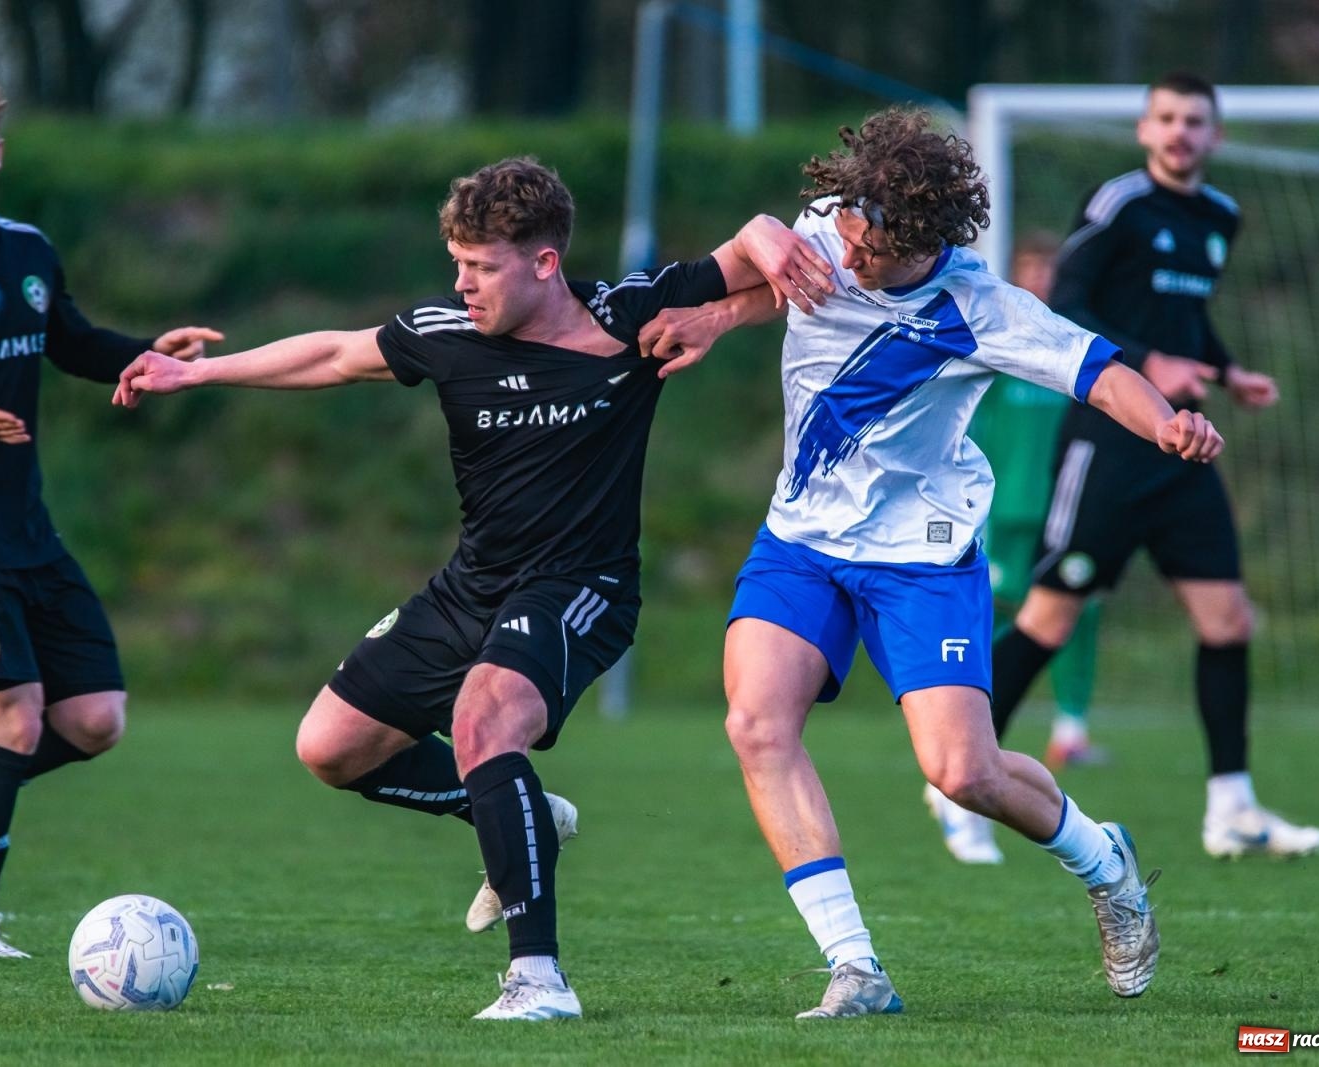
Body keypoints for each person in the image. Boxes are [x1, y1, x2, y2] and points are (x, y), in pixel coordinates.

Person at [111, 157, 825, 1021]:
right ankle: (522, 811)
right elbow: (335, 355)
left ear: (544, 263)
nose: (463, 283)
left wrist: (759, 245)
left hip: (582, 585)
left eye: (481, 266)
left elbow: (752, 249)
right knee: (329, 747)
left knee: (485, 721)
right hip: (471, 585)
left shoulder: (627, 315)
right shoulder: (446, 331)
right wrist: (197, 374)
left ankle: (539, 980)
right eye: (457, 262)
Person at [638, 107, 1224, 1017]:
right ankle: (855, 966)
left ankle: (1104, 861)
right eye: (848, 223)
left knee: (963, 772)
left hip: (922, 554)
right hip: (801, 540)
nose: (849, 246)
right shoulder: (835, 222)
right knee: (757, 722)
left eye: (873, 241)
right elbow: (785, 280)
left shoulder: (980, 307)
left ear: (925, 239)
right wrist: (717, 316)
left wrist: (1170, 421)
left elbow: (1097, 371)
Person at [0, 77, 222, 959]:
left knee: (96, 718)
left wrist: (145, 352)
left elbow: (67, 338)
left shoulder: (27, 251)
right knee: (16, 722)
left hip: (25, 529)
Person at [941, 73, 1319, 863]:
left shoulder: (1221, 217)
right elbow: (1067, 308)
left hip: (1183, 449)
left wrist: (1226, 370)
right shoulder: (1118, 205)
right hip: (1111, 443)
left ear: (1214, 135)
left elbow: (1185, 319)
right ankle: (960, 778)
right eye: (1167, 118)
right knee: (1051, 617)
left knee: (1228, 620)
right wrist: (1152, 362)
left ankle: (1233, 807)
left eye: (1195, 121)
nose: (1181, 132)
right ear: (1146, 130)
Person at [926, 234, 1108, 864]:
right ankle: (958, 743)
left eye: (1047, 271)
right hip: (1003, 513)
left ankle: (1070, 726)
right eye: (1029, 270)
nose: (1040, 281)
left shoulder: (1067, 347)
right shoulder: (996, 346)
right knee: (996, 615)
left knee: (1073, 616)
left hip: (1062, 510)